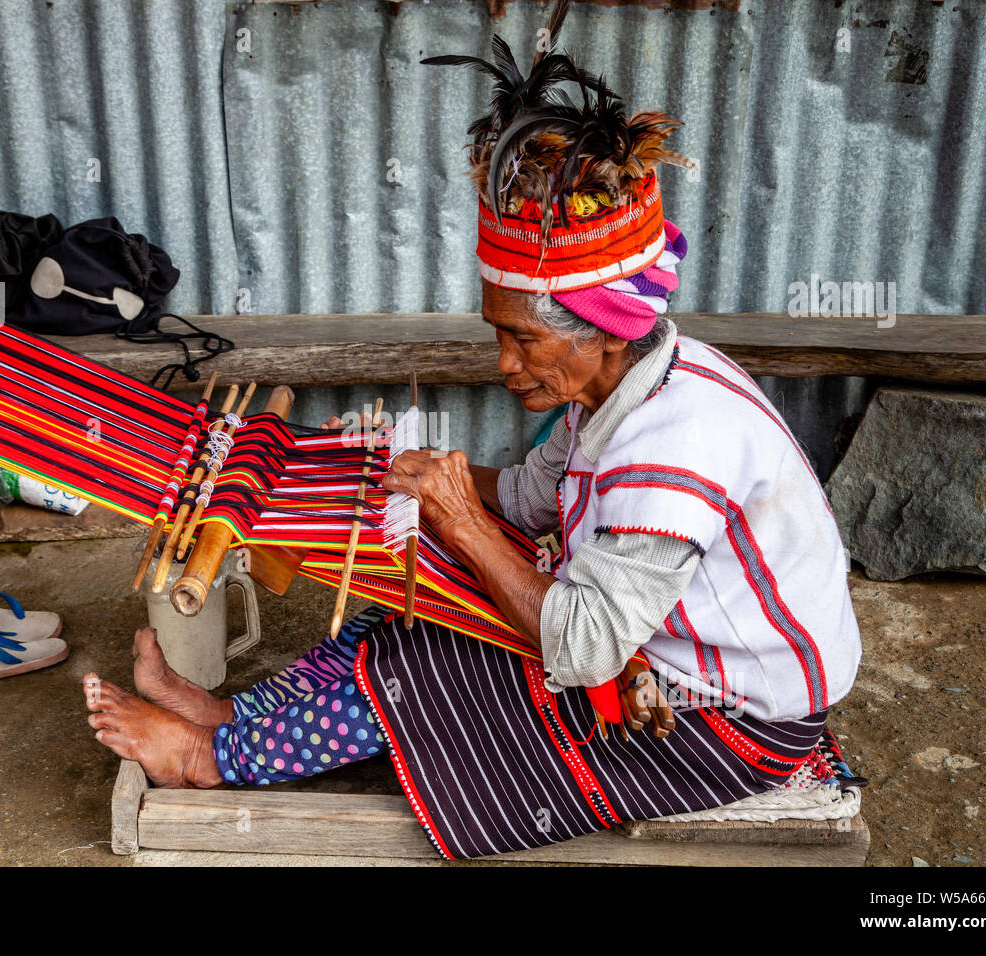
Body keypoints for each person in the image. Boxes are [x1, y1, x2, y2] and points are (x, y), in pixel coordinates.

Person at [84, 1, 861, 859]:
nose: (505, 363)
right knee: (416, 564)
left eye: (524, 338)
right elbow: (533, 499)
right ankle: (240, 714)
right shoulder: (623, 388)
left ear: (601, 326)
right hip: (655, 653)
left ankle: (207, 758)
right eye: (499, 331)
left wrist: (458, 516)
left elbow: (587, 649)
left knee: (435, 658)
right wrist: (408, 476)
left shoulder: (675, 451)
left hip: (722, 722)